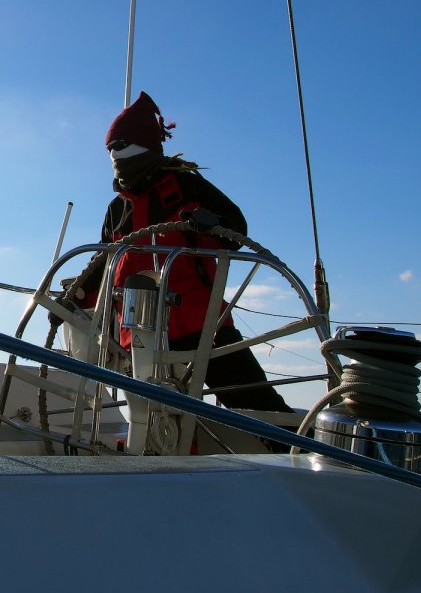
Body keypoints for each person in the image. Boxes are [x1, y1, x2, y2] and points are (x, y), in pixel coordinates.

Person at [77, 91, 291, 415]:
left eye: (120, 145)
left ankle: (294, 443)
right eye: (110, 148)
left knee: (259, 409)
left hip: (201, 326)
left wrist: (209, 222)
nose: (114, 154)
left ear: (145, 143)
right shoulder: (116, 208)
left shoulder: (186, 186)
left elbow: (235, 228)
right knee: (153, 419)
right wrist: (76, 297)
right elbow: (106, 261)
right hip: (138, 337)